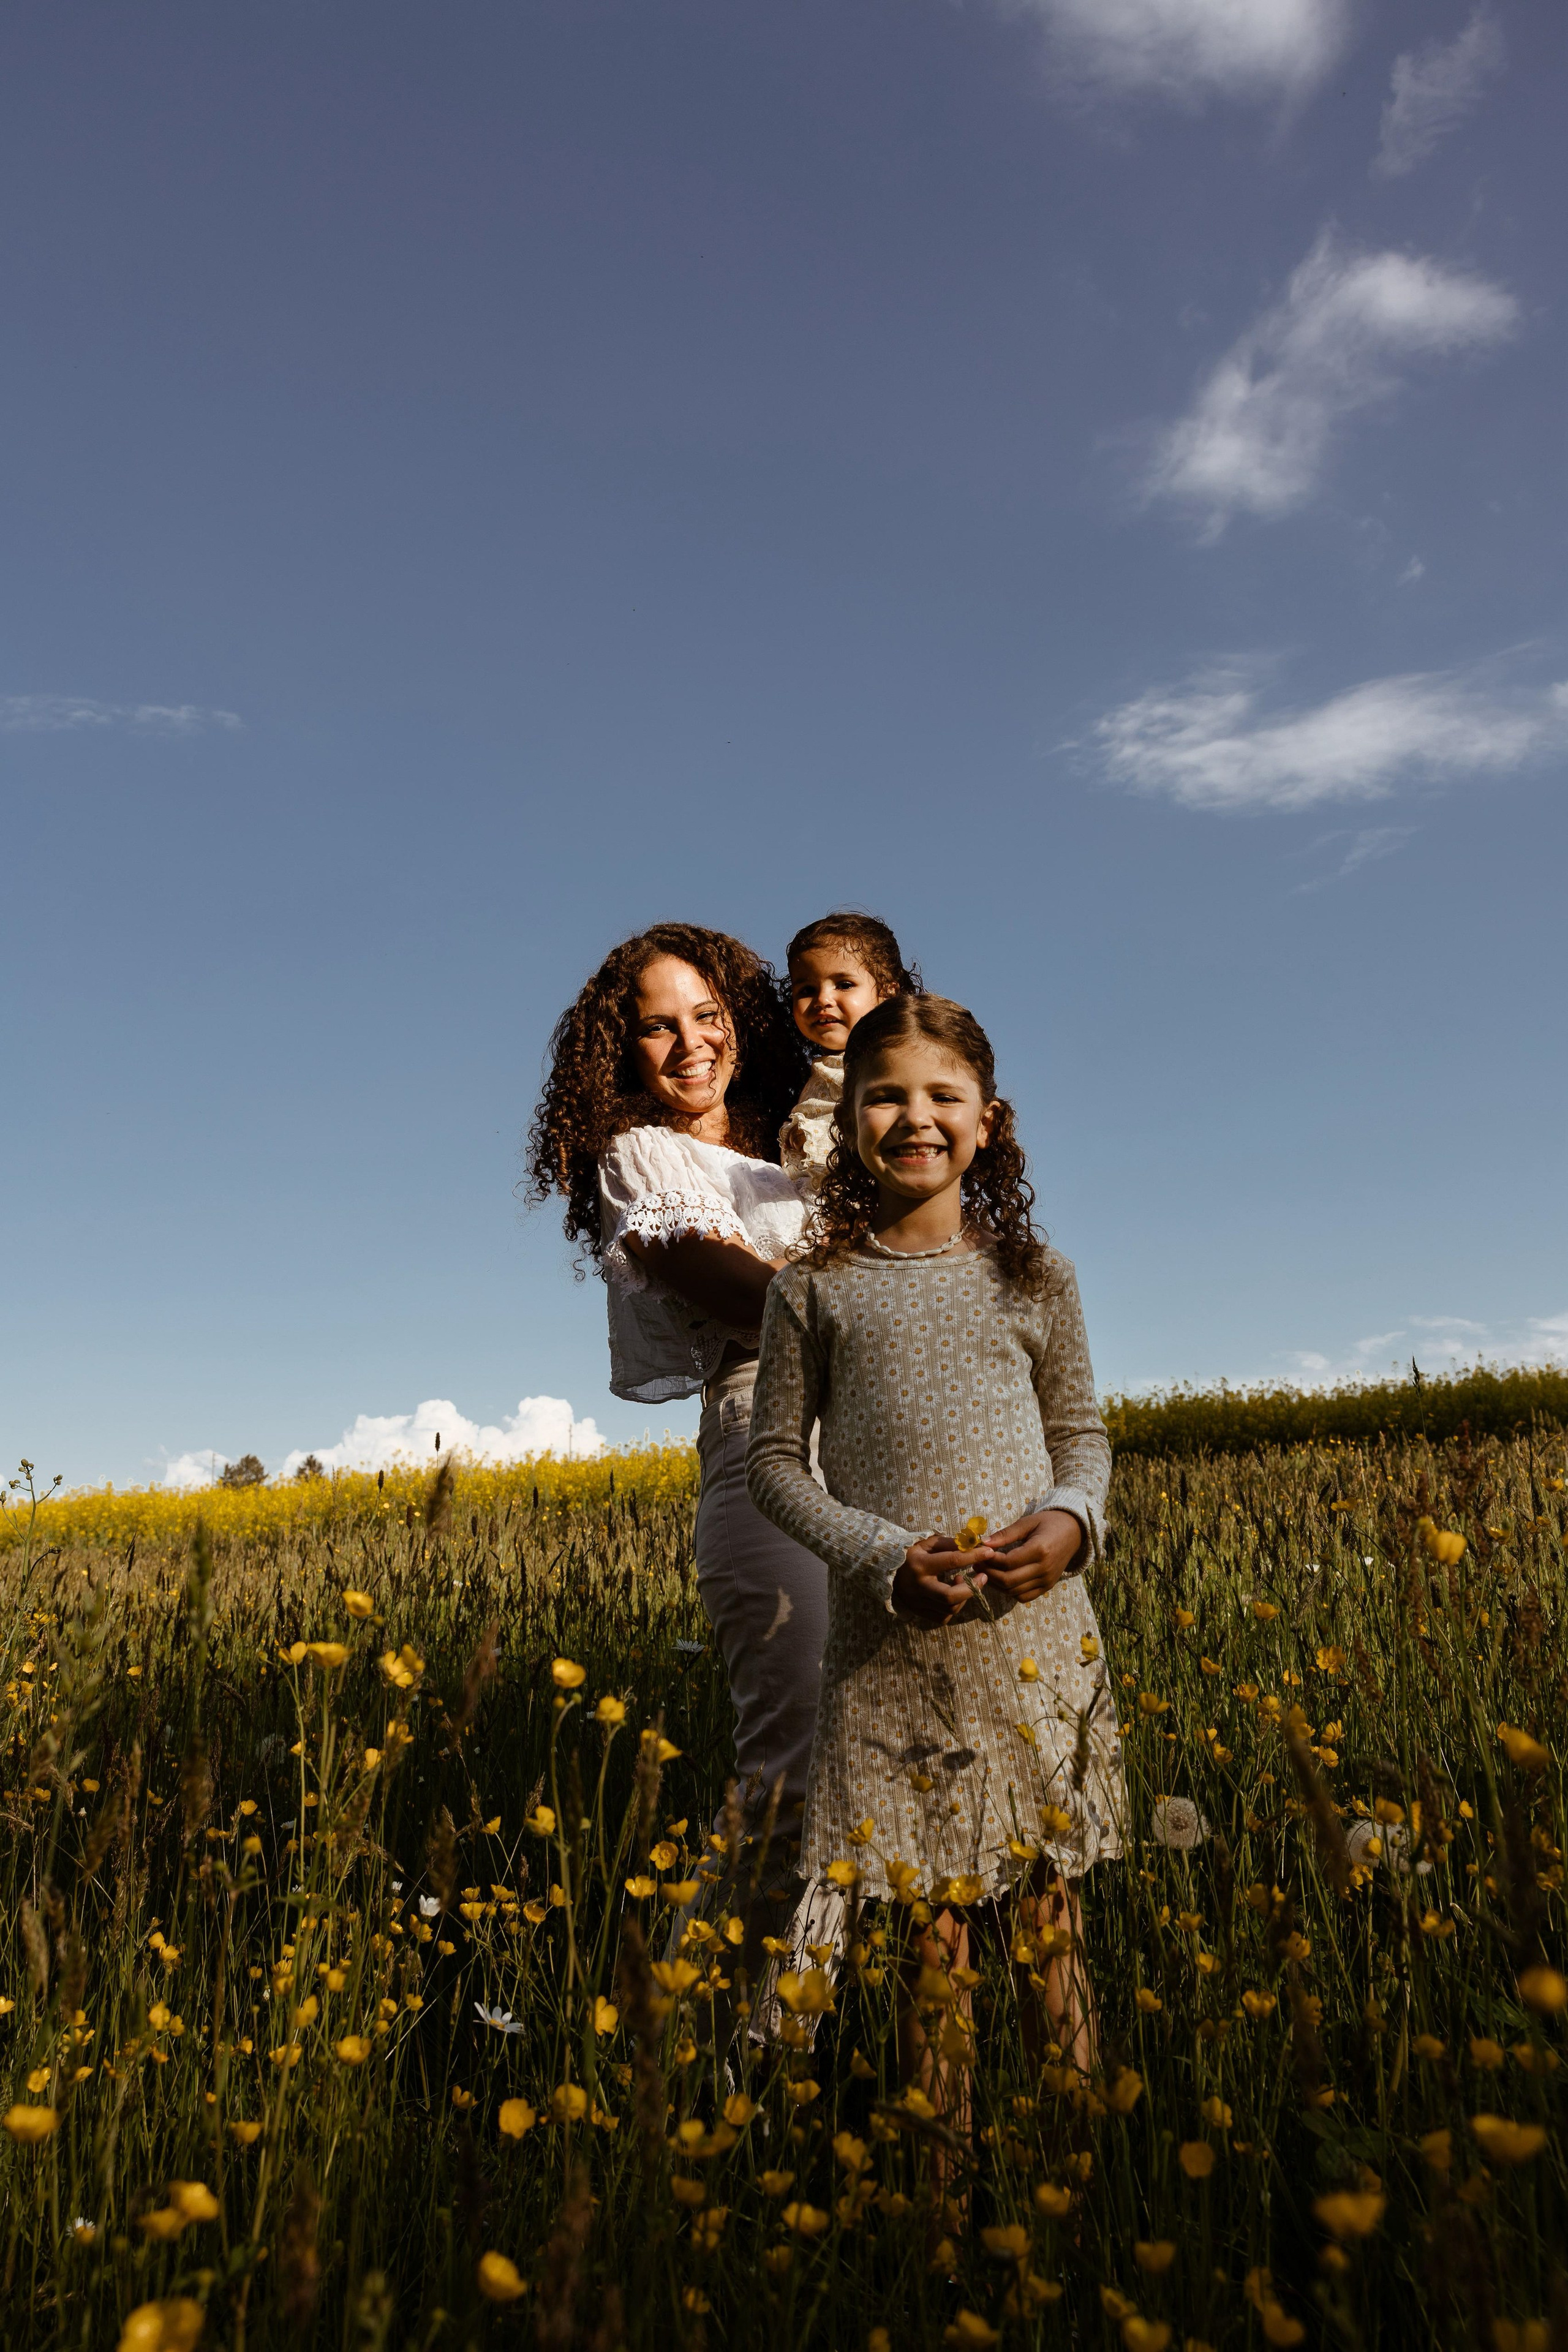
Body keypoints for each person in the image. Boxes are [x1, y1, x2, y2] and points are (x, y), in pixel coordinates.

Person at [745, 992, 1124, 2129]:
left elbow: (1083, 1440)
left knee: (1050, 1929)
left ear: (989, 1119)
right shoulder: (811, 1289)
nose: (916, 1118)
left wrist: (1069, 1529)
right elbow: (772, 1464)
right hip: (889, 1654)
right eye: (886, 1097)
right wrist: (878, 1554)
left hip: (1037, 1642)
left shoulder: (1036, 1276)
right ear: (846, 1118)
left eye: (943, 1096)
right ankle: (942, 2228)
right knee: (931, 1945)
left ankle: (1074, 2194)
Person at [526, 922, 826, 1912]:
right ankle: (704, 2052)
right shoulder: (639, 1157)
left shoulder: (810, 1133)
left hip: (886, 1438)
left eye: (708, 1015)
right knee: (794, 1772)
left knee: (886, 1764)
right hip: (768, 1446)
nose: (691, 1042)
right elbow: (737, 1287)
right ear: (624, 1052)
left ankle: (848, 2035)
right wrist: (891, 1300)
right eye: (659, 1028)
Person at [778, 911, 921, 1191]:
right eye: (807, 990)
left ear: (887, 995)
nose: (823, 1000)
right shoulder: (817, 1070)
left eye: (844, 985)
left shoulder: (888, 1065)